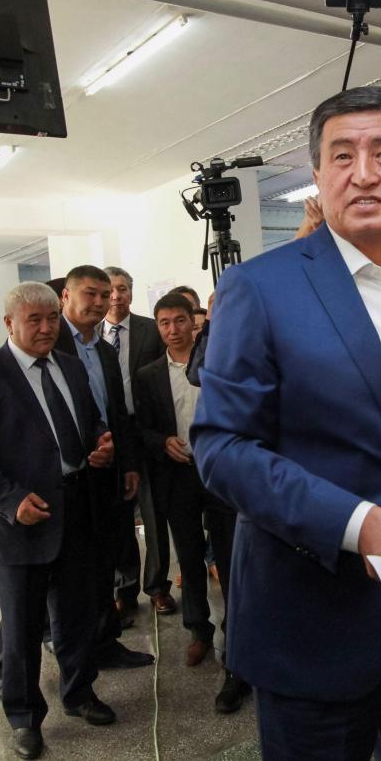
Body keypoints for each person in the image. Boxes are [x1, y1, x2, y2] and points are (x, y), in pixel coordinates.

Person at [190, 85, 381, 759]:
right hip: (313, 615)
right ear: (318, 178)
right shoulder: (261, 288)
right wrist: (350, 523)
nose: (365, 172)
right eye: (341, 156)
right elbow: (222, 446)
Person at [0, 282, 119, 760]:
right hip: (21, 523)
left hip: (77, 510)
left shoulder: (68, 366)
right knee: (21, 627)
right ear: (9, 325)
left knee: (78, 614)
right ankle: (23, 716)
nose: (46, 328)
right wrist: (11, 499)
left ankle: (79, 692)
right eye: (34, 320)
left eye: (51, 319)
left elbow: (89, 422)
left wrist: (100, 442)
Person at [134, 293, 248, 712]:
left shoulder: (216, 365)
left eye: (179, 320)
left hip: (219, 474)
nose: (172, 329)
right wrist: (162, 442)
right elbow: (141, 428)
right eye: (163, 322)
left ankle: (235, 640)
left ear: (192, 323)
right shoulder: (147, 375)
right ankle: (198, 630)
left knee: (231, 557)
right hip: (177, 475)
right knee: (189, 557)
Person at [55, 266, 154, 669]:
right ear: (66, 295)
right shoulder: (52, 342)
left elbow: (118, 414)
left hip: (108, 469)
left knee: (105, 560)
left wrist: (128, 464)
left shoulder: (104, 349)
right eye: (90, 294)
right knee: (68, 574)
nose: (100, 302)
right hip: (66, 477)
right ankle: (73, 656)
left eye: (105, 295)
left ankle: (105, 642)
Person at [101, 266, 175, 619]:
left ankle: (158, 587)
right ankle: (124, 588)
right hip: (107, 434)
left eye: (122, 289)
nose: (116, 296)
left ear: (131, 293)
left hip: (145, 430)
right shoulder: (90, 336)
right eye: (110, 290)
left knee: (153, 511)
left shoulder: (151, 330)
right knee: (117, 515)